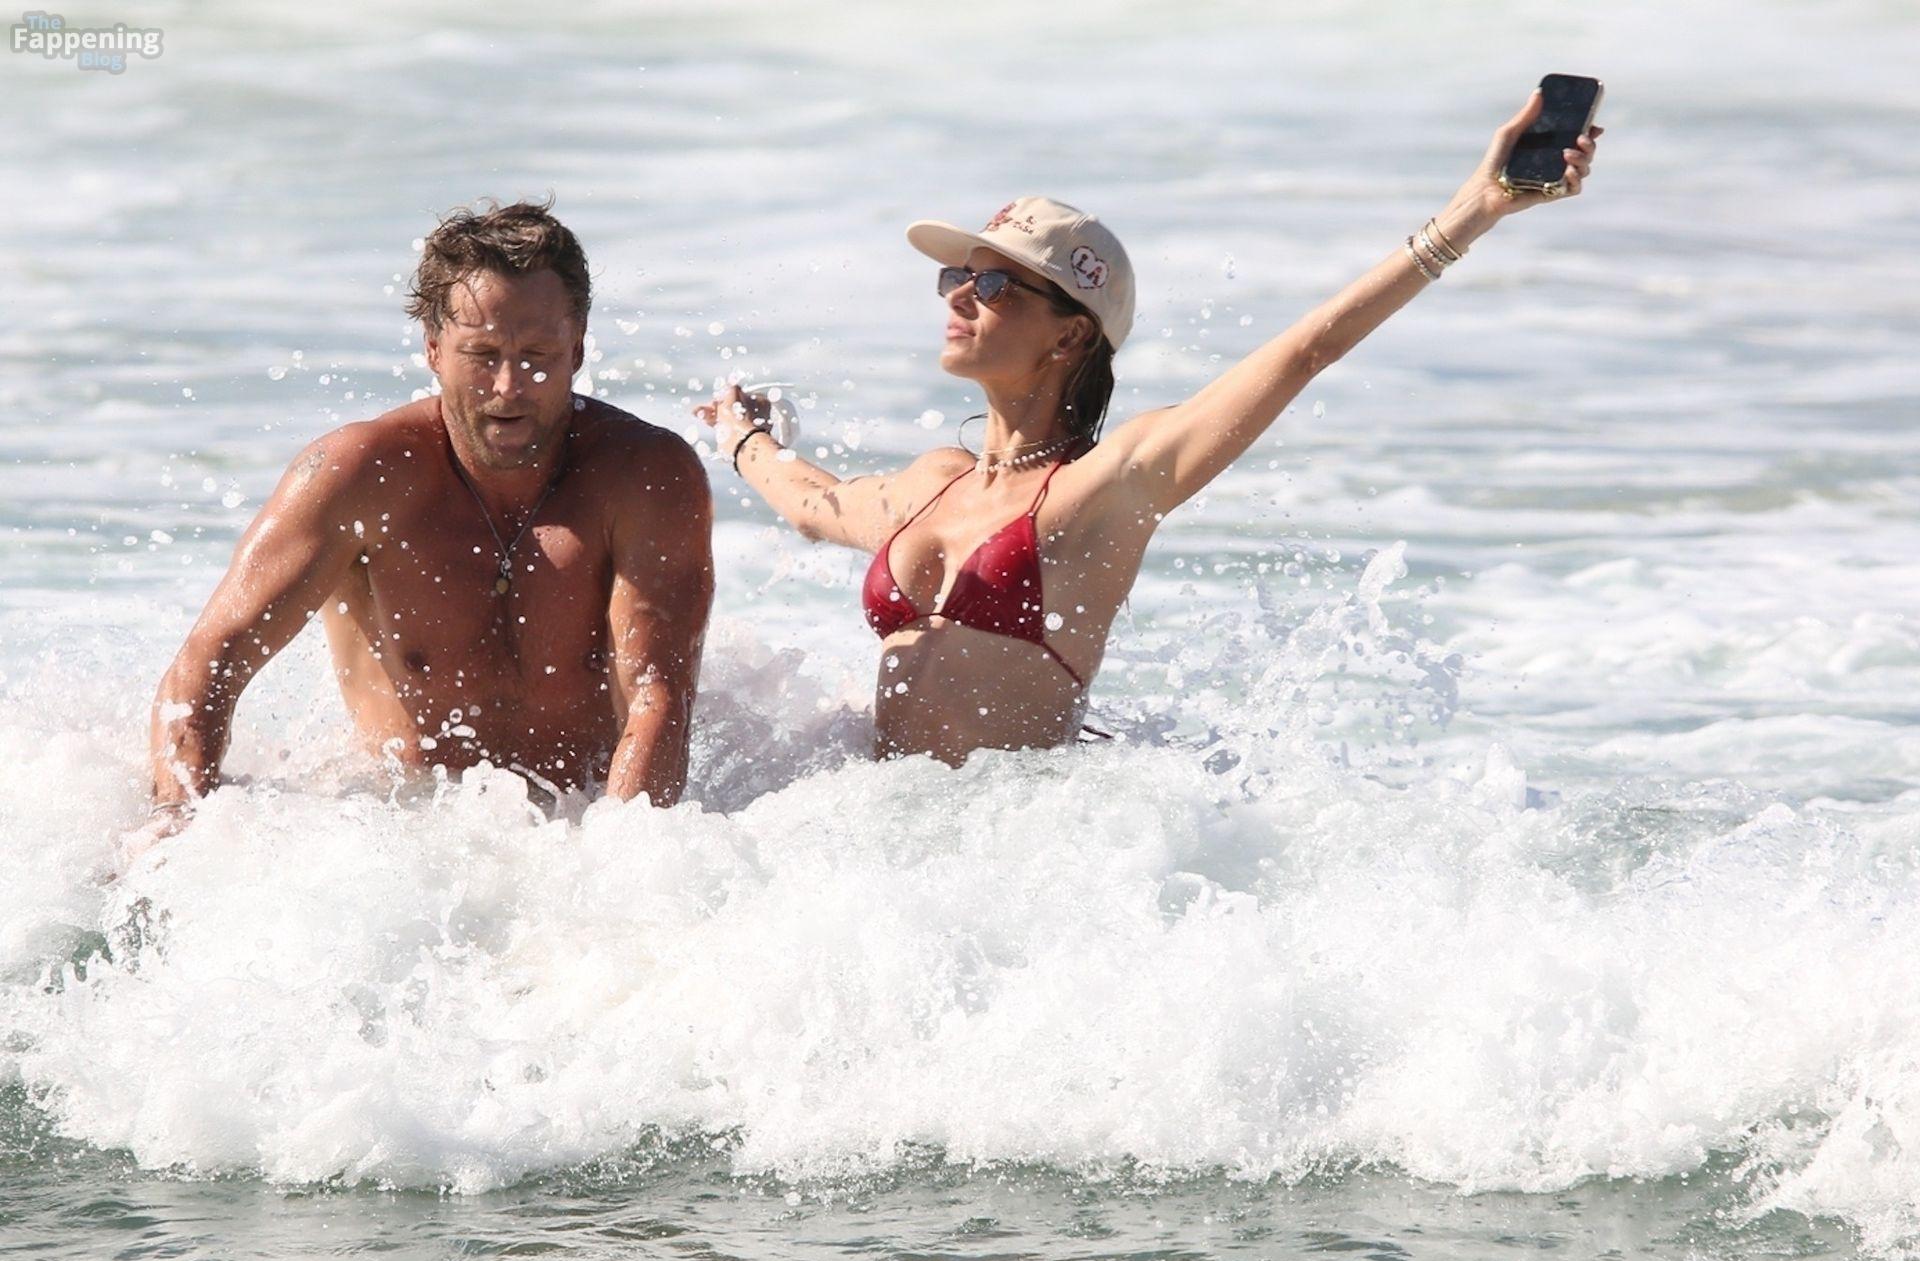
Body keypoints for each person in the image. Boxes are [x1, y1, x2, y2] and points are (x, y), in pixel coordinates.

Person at [701, 93, 1601, 765]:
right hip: (885, 849)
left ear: (1071, 334)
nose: (962, 296)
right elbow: (815, 503)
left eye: (996, 283)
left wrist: (1475, 211)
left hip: (1011, 857)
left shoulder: (1108, 484)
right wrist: (745, 438)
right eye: (956, 279)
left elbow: (1304, 352)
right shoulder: (934, 481)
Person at [145, 200, 713, 837]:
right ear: (434, 349)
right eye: (482, 354)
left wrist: (620, 858)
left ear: (577, 349)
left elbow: (658, 698)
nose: (509, 386)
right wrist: (175, 819)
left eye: (537, 353)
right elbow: (208, 664)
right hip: (402, 831)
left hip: (582, 820)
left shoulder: (645, 476)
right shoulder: (357, 476)